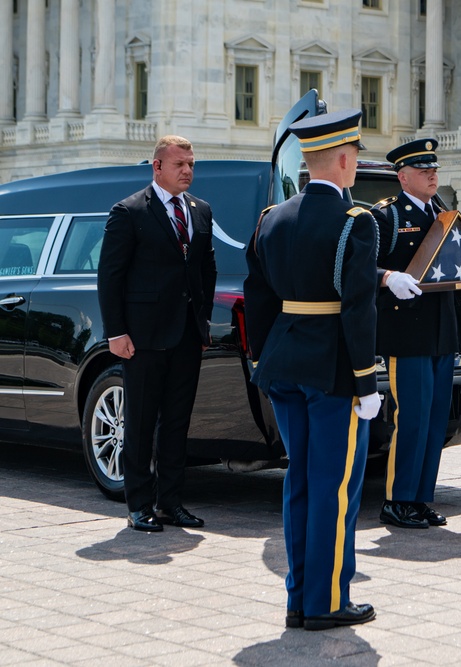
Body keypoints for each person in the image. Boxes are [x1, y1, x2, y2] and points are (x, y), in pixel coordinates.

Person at [243, 109, 380, 631]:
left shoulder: (271, 218)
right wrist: (366, 381)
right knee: (333, 486)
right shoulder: (355, 222)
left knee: (299, 481)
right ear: (344, 161)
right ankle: (326, 603)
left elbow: (258, 298)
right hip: (334, 370)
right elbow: (358, 307)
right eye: (356, 157)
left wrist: (261, 357)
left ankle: (299, 597)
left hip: (283, 362)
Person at [97, 135, 217, 533]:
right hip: (143, 337)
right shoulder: (129, 211)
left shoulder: (201, 211)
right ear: (157, 167)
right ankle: (138, 505)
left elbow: (206, 270)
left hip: (186, 335)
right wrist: (116, 331)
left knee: (177, 423)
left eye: (191, 164)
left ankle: (171, 503)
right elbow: (110, 276)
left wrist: (201, 323)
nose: (187, 171)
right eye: (179, 164)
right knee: (142, 420)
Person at [369, 139, 459, 529]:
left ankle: (421, 498)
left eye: (433, 169)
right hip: (406, 333)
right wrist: (388, 279)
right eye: (423, 170)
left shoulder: (444, 214)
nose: (432, 175)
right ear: (403, 177)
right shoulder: (386, 216)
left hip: (441, 331)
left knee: (435, 420)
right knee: (413, 418)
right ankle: (398, 499)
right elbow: (362, 267)